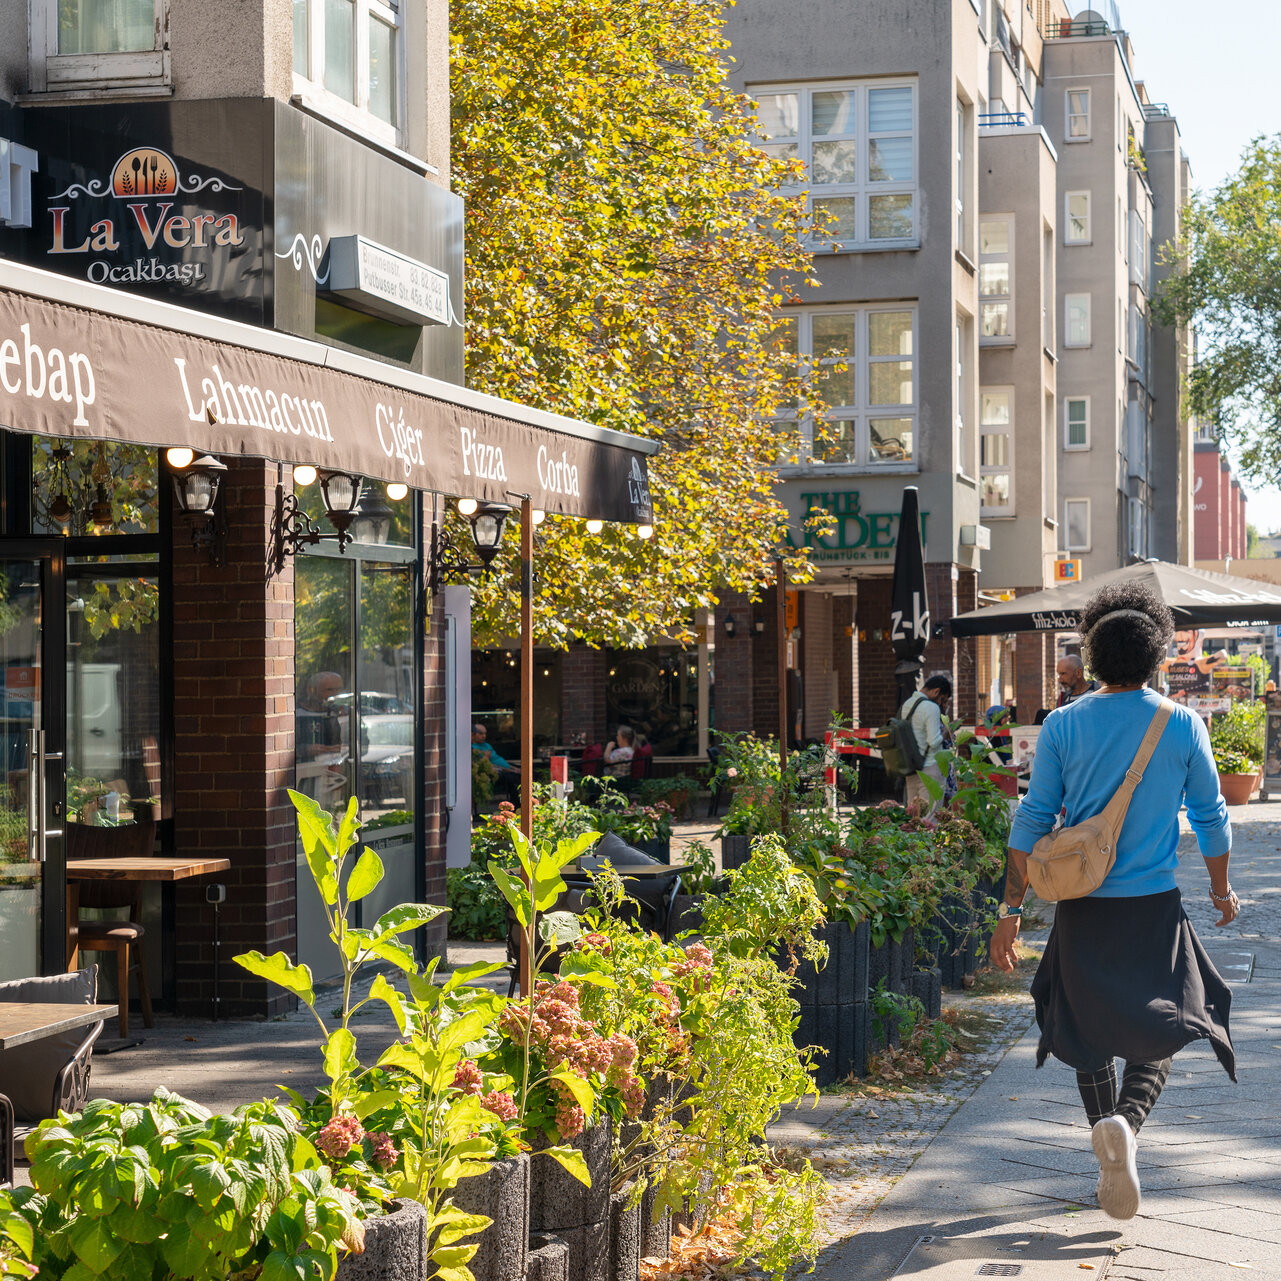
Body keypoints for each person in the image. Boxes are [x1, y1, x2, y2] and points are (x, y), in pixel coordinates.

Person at [991, 581, 1239, 1222]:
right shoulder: (1182, 723)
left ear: (1092, 660)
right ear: (1158, 656)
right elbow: (1212, 818)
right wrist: (1220, 887)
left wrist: (1008, 915)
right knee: (1159, 1027)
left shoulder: (1062, 725)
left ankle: (1107, 1133)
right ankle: (1127, 1123)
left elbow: (1030, 821)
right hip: (1153, 907)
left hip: (1081, 908)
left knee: (1088, 1030)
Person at [901, 675, 951, 813]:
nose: (941, 704)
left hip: (910, 767)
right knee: (930, 818)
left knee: (913, 817)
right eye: (943, 699)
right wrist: (947, 732)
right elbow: (933, 741)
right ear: (936, 692)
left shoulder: (907, 704)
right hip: (929, 766)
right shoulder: (931, 707)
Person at [472, 723, 520, 798]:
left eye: (485, 733)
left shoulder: (487, 745)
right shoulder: (472, 748)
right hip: (496, 771)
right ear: (473, 734)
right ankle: (518, 804)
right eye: (481, 733)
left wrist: (514, 768)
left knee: (530, 772)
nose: (484, 736)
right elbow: (487, 765)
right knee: (515, 778)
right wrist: (485, 758)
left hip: (506, 767)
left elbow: (498, 760)